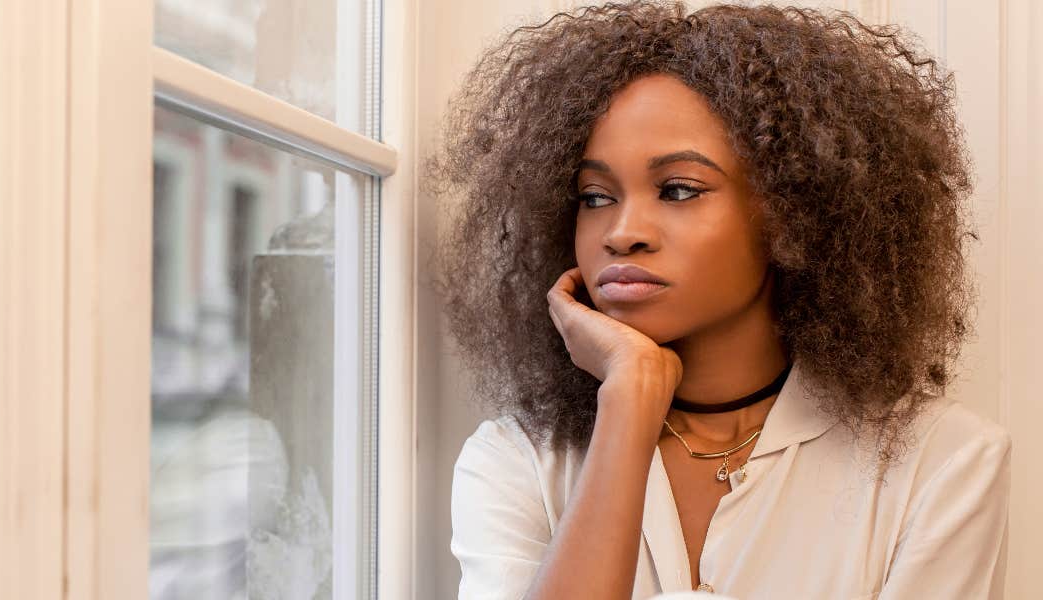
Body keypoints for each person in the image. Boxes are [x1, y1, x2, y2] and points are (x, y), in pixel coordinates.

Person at [428, 2, 1012, 598]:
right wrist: (628, 399)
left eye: (679, 189)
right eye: (595, 195)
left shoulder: (941, 464)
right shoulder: (518, 460)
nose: (621, 231)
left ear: (793, 215)